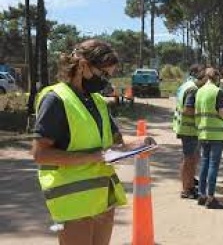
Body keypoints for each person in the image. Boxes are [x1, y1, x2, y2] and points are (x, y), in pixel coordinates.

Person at [32, 39, 155, 245]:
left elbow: (118, 142)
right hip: (73, 200)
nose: (106, 80)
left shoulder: (96, 101)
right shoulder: (56, 99)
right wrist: (93, 156)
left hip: (102, 196)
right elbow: (40, 154)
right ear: (82, 65)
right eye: (103, 73)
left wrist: (143, 142)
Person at [195, 67, 223, 209]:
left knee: (204, 164)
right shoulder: (218, 91)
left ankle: (201, 194)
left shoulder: (199, 91)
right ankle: (211, 198)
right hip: (216, 134)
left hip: (203, 132)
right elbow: (222, 114)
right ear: (217, 78)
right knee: (213, 165)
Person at [173, 64, 207, 199]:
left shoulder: (186, 85)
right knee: (190, 159)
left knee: (191, 158)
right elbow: (188, 109)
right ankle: (187, 189)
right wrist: (204, 112)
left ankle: (189, 182)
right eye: (205, 76)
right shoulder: (193, 89)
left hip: (185, 128)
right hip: (189, 129)